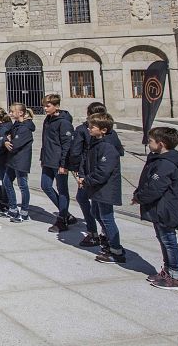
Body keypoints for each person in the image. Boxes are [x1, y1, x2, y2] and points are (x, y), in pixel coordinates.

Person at [132, 127, 178, 291]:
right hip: (160, 209)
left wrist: (139, 198)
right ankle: (168, 271)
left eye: (150, 141)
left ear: (161, 144)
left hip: (166, 210)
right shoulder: (158, 159)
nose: (148, 143)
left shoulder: (166, 164)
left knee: (169, 242)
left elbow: (155, 188)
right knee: (164, 240)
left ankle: (176, 277)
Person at [79, 113, 126, 264]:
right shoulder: (94, 143)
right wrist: (83, 176)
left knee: (107, 217)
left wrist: (87, 180)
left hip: (106, 188)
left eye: (92, 127)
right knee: (95, 212)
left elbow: (103, 171)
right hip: (96, 188)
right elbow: (87, 162)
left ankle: (116, 250)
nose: (89, 129)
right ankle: (106, 239)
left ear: (103, 130)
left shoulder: (108, 147)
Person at [68, 101, 109, 247]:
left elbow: (76, 151)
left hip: (87, 171)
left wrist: (74, 168)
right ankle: (105, 233)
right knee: (100, 205)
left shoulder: (82, 129)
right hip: (103, 171)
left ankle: (93, 232)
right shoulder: (109, 131)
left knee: (83, 198)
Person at [40, 94, 75, 233]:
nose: (45, 108)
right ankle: (65, 213)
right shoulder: (47, 120)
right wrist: (43, 158)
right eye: (44, 105)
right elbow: (46, 141)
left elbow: (67, 144)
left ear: (57, 106)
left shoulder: (64, 122)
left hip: (59, 162)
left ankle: (62, 220)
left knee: (62, 190)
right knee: (45, 185)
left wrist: (63, 164)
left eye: (48, 106)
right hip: (48, 160)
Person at [3, 102, 34, 223]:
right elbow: (7, 135)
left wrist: (8, 142)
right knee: (7, 181)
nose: (10, 113)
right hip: (12, 160)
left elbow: (14, 145)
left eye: (12, 111)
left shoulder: (25, 128)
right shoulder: (16, 125)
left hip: (21, 160)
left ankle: (25, 212)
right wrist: (6, 140)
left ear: (20, 113)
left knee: (23, 185)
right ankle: (13, 207)